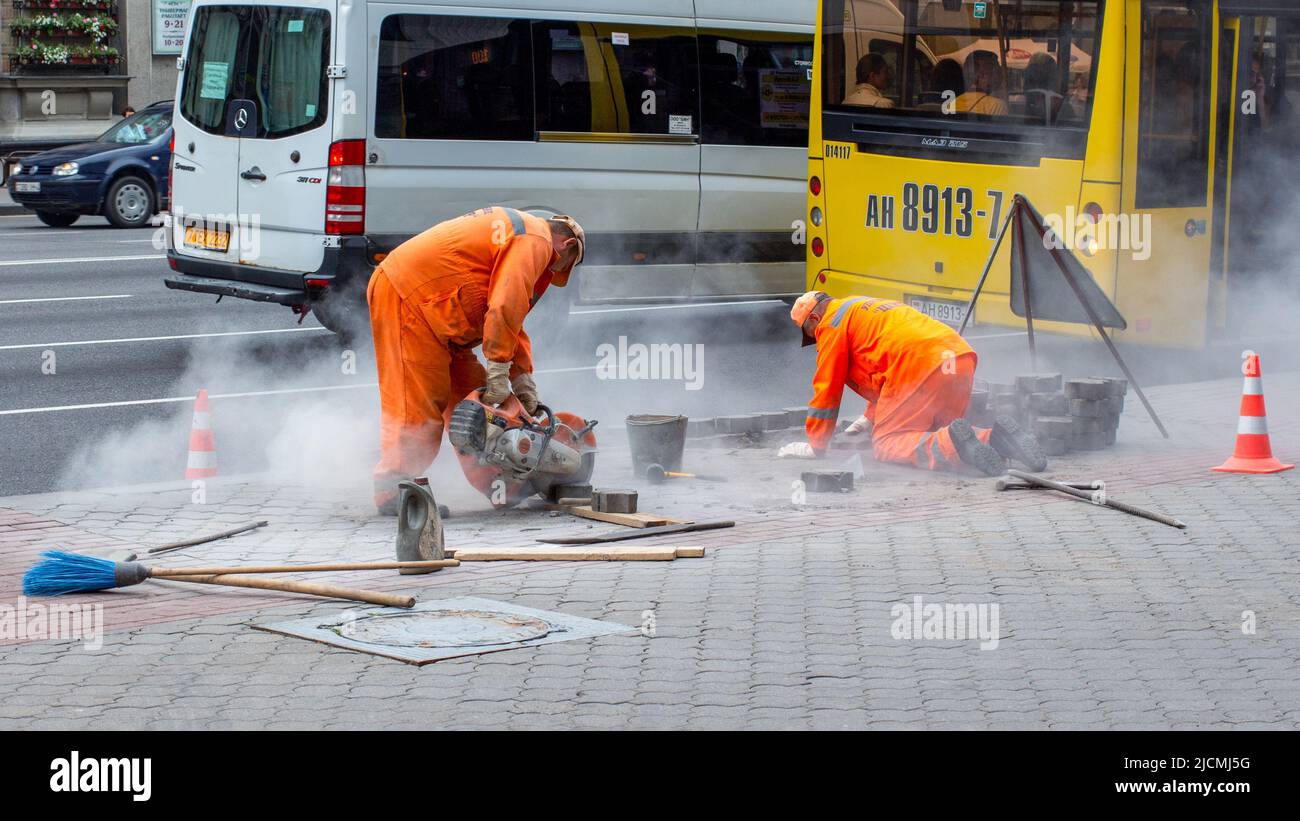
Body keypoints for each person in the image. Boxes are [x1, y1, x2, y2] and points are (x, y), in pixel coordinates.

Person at [367, 207, 585, 514]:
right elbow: (505, 304)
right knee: (417, 404)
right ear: (568, 245)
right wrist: (499, 367)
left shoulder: (522, 235)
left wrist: (521, 379)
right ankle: (394, 490)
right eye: (561, 266)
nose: (552, 272)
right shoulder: (536, 239)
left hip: (440, 316)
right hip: (410, 300)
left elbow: (512, 315)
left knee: (476, 404)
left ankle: (503, 483)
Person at [778, 292, 1047, 475]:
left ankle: (952, 446)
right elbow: (879, 366)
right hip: (956, 358)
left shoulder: (831, 324)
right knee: (934, 428)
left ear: (814, 319)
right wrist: (868, 418)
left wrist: (815, 445)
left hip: (918, 364)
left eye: (810, 333)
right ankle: (996, 437)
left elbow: (827, 387)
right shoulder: (859, 308)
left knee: (886, 443)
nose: (815, 339)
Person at [954, 50, 1008, 116]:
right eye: (996, 70)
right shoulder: (997, 106)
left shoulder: (952, 103)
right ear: (982, 75)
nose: (1000, 75)